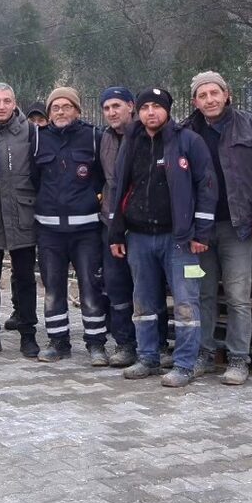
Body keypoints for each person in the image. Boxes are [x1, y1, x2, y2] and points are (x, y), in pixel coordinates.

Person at [108, 87, 217, 388]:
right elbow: (119, 189)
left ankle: (184, 364)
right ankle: (148, 357)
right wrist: (116, 233)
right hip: (140, 238)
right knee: (142, 302)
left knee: (186, 303)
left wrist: (201, 233)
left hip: (180, 240)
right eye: (145, 107)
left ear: (168, 110)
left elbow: (207, 188)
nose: (150, 112)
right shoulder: (132, 143)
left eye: (157, 106)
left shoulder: (188, 141)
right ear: (138, 111)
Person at [184, 71, 252, 386]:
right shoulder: (186, 132)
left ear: (227, 94)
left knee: (238, 296)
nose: (210, 99)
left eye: (215, 93)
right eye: (203, 95)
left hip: (238, 226)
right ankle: (204, 354)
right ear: (195, 101)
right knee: (203, 293)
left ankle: (239, 359)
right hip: (200, 231)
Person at [32, 87, 110, 365]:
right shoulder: (38, 140)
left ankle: (96, 344)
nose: (61, 112)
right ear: (49, 112)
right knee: (53, 289)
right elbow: (33, 180)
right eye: (55, 107)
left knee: (91, 288)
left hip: (86, 231)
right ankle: (58, 342)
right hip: (49, 232)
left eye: (67, 107)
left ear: (77, 110)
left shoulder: (93, 137)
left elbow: (104, 178)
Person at [0, 83, 39, 358]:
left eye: (6, 101)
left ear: (15, 103)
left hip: (22, 214)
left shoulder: (31, 132)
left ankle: (28, 334)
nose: (1, 106)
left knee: (25, 278)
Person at [98, 87, 144, 368]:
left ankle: (154, 344)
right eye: (106, 108)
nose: (112, 112)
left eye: (116, 106)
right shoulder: (102, 138)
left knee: (146, 288)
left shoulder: (147, 135)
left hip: (141, 226)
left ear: (131, 106)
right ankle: (124, 343)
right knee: (116, 288)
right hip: (109, 224)